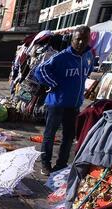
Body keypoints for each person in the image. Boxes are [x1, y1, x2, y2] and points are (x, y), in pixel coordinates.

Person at [33, 25, 94, 175]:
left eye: (84, 39)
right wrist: (54, 84)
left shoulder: (88, 56)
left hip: (74, 105)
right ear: (72, 40)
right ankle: (45, 164)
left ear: (88, 39)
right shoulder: (61, 57)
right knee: (50, 135)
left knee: (68, 137)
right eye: (77, 39)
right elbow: (40, 70)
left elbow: (88, 72)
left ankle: (61, 164)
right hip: (56, 104)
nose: (80, 43)